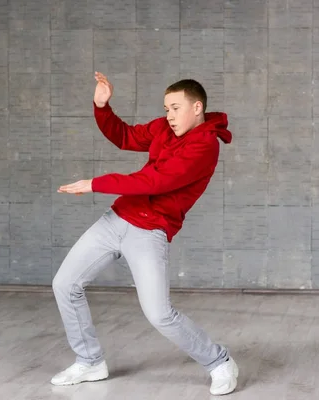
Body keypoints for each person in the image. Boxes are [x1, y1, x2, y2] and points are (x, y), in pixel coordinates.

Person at [52, 71, 238, 396]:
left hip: (150, 231)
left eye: (175, 108)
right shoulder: (163, 127)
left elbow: (155, 182)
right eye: (166, 108)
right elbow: (124, 136)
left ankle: (220, 362)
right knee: (65, 284)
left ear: (197, 108)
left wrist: (96, 183)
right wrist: (102, 106)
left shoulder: (205, 146)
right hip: (117, 218)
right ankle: (90, 361)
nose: (169, 115)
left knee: (159, 314)